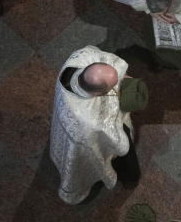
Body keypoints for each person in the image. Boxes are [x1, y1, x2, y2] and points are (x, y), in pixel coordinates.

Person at [50, 46, 147, 204]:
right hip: (88, 133)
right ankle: (130, 178)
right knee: (125, 151)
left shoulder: (80, 58)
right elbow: (113, 139)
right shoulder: (88, 119)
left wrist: (121, 78)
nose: (118, 86)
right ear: (97, 94)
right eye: (113, 86)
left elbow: (107, 60)